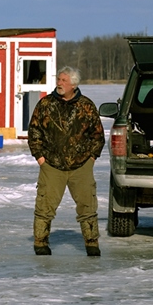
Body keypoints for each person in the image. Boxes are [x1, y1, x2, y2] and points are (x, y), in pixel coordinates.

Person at [27, 66, 105, 256]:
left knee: (88, 207)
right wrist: (40, 157)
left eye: (63, 80)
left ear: (73, 84)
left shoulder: (86, 105)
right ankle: (40, 243)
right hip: (51, 165)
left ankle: (92, 244)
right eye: (58, 80)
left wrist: (91, 158)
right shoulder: (45, 104)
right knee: (45, 206)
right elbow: (34, 131)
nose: (59, 83)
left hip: (81, 165)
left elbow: (97, 135)